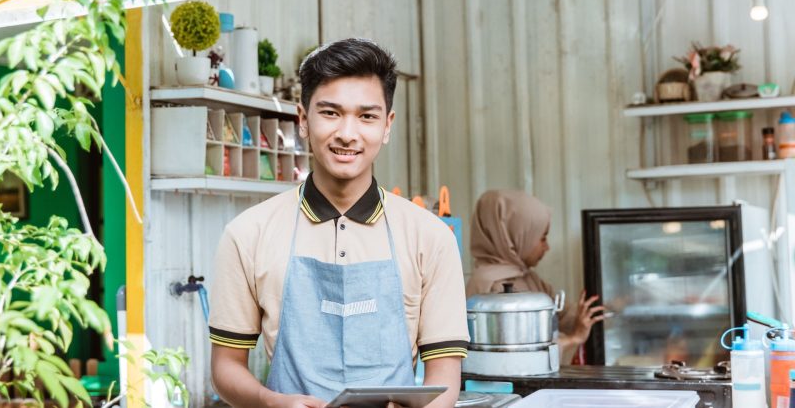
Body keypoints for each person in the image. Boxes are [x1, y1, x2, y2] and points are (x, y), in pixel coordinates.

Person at [209, 38, 469, 408]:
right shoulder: (248, 234)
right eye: (331, 112)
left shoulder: (430, 237)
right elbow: (225, 368)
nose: (348, 133)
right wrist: (271, 402)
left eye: (367, 116)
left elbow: (444, 376)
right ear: (302, 119)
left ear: (387, 125)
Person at [465, 190, 604, 363]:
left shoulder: (528, 278)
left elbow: (565, 315)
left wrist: (605, 308)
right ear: (515, 236)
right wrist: (573, 339)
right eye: (542, 238)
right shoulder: (489, 290)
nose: (547, 247)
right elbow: (518, 359)